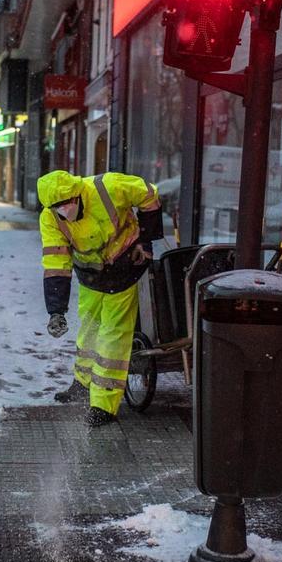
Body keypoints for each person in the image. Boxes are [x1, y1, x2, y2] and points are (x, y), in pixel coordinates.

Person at [38, 170, 164, 426]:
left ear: (78, 193)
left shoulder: (108, 187)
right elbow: (56, 263)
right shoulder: (50, 218)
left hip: (126, 266)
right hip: (91, 274)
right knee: (90, 327)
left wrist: (146, 241)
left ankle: (104, 405)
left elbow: (149, 195)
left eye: (68, 202)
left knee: (113, 334)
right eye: (58, 206)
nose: (65, 209)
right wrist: (56, 310)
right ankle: (83, 384)